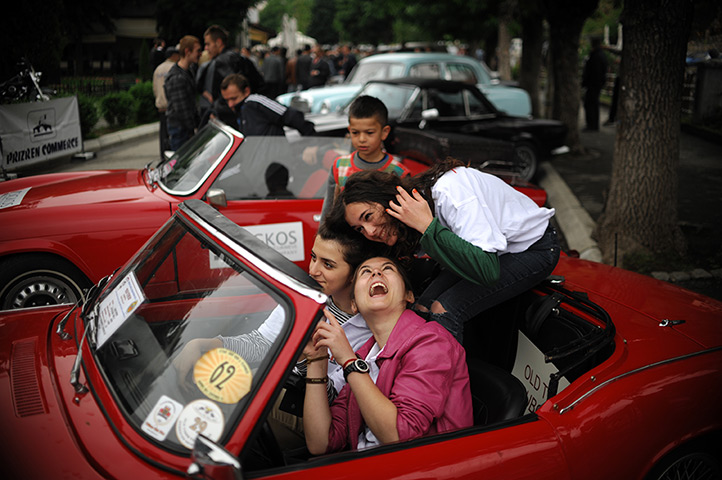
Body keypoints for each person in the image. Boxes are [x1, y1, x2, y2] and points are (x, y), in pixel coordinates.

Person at [327, 158, 560, 343]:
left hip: (533, 248)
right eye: (360, 228)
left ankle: (444, 394)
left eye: (368, 217)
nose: (369, 231)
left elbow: (487, 270)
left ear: (389, 200)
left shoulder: (450, 192)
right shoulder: (416, 212)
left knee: (443, 310)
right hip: (489, 252)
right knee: (421, 307)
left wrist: (427, 226)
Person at [173, 224, 380, 404]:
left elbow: (334, 400)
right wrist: (209, 345)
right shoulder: (308, 297)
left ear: (355, 274)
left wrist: (305, 358)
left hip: (303, 407)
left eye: (328, 265)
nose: (313, 270)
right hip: (280, 385)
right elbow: (263, 342)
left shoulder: (371, 329)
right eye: (313, 257)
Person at [303, 255, 472, 453]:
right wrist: (317, 359)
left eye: (388, 269)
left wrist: (349, 362)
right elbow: (321, 443)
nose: (376, 272)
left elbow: (400, 436)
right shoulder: (365, 355)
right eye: (365, 271)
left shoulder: (432, 340)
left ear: (409, 296)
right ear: (354, 305)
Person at [319, 95, 410, 221]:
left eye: (369, 133)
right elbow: (328, 214)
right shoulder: (339, 167)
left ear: (384, 132)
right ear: (349, 130)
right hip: (345, 239)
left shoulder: (399, 172)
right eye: (355, 133)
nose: (362, 139)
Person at [196, 25, 264, 121]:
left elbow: (230, 90)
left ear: (218, 42)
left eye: (208, 44)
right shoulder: (239, 57)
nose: (206, 48)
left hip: (231, 116)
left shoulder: (223, 60)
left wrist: (216, 110)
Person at [215, 73, 316, 136]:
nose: (230, 104)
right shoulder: (241, 112)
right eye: (227, 100)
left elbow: (291, 115)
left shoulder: (256, 102)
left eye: (234, 99)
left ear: (246, 91)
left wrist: (312, 143)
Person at [164, 35, 202, 151]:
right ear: (187, 51)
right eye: (197, 51)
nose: (200, 54)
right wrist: (194, 128)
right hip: (181, 130)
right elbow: (181, 109)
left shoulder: (187, 72)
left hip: (183, 128)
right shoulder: (177, 77)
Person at [152, 45, 180, 156]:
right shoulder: (174, 67)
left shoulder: (158, 69)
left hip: (161, 106)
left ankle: (163, 155)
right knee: (173, 135)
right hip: (171, 107)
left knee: (163, 134)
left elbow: (154, 88)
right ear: (174, 55)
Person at [582, 37, 608, 132]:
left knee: (590, 104)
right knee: (592, 104)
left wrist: (586, 82)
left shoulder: (596, 56)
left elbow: (594, 71)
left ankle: (591, 125)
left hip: (593, 84)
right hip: (596, 84)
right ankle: (593, 124)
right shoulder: (600, 55)